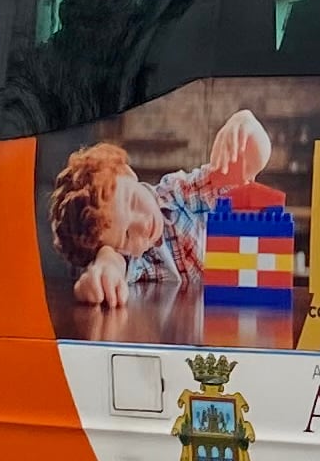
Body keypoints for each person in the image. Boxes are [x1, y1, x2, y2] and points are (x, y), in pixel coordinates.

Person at [47, 108, 275, 310]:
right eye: (126, 236)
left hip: (240, 308)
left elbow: (248, 165)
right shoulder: (138, 261)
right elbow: (114, 264)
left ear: (128, 173)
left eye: (133, 202)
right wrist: (103, 266)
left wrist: (246, 124)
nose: (143, 225)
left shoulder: (178, 193)